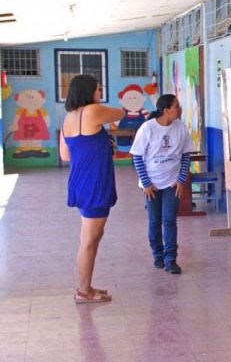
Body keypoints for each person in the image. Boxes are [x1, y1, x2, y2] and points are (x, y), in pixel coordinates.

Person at [59, 74, 124, 303]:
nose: (100, 93)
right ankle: (83, 291)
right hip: (95, 183)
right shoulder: (93, 111)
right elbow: (121, 112)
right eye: (98, 89)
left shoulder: (68, 118)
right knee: (89, 240)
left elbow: (65, 155)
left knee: (92, 237)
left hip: (81, 181)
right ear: (89, 92)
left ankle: (86, 287)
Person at [129, 94, 195, 274]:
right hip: (151, 185)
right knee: (154, 220)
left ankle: (170, 258)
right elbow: (137, 157)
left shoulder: (181, 128)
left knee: (169, 220)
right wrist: (146, 183)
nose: (179, 109)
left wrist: (182, 180)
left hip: (172, 183)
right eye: (176, 106)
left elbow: (186, 155)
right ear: (166, 110)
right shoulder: (147, 128)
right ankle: (157, 255)